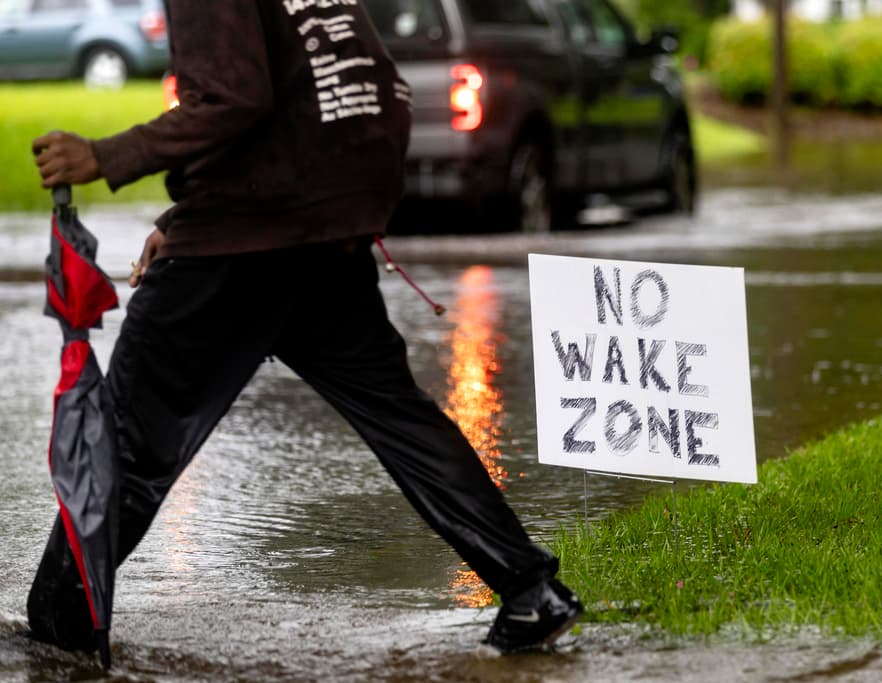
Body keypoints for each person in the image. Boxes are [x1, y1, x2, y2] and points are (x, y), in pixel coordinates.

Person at [28, 0, 581, 656]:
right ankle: (529, 589)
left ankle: (58, 633)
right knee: (402, 421)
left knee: (126, 441)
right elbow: (378, 95)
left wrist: (105, 154)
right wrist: (200, 220)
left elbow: (235, 99)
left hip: (241, 249)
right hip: (324, 241)